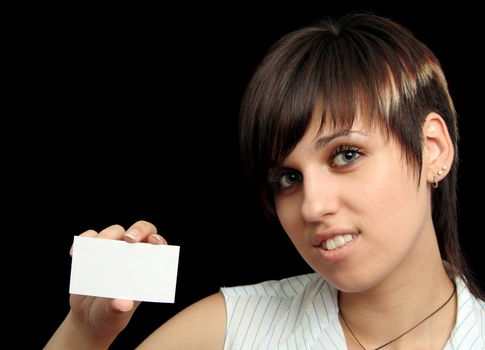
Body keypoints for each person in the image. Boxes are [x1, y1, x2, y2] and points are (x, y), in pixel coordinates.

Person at [45, 12, 484, 349]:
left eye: (346, 155)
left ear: (432, 149)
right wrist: (86, 332)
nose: (311, 206)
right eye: (287, 177)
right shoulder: (231, 327)